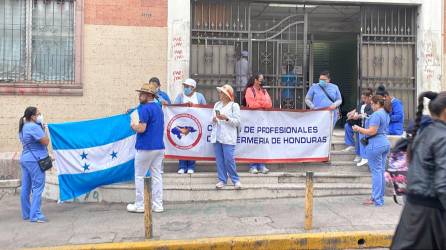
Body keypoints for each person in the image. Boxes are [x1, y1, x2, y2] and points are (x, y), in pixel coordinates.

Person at [391, 91, 446, 250]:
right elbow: (443, 185)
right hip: (430, 216)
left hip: (413, 211)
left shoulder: (424, 133)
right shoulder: (442, 137)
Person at [127, 82, 165, 213]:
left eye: (142, 93)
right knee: (157, 176)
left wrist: (133, 126)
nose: (139, 95)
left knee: (139, 176)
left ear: (149, 95)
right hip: (159, 147)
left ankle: (140, 205)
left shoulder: (144, 109)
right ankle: (158, 205)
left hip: (146, 147)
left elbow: (142, 129)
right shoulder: (158, 108)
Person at [353, 95, 392, 206]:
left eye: (372, 104)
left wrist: (358, 128)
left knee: (376, 172)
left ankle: (376, 199)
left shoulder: (377, 114)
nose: (371, 106)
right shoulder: (385, 113)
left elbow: (372, 131)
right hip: (384, 143)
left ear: (377, 104)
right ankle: (379, 198)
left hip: (375, 144)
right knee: (380, 172)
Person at [18, 107, 50, 223]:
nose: (40, 116)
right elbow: (46, 142)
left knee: (26, 187)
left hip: (25, 159)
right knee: (38, 187)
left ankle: (27, 213)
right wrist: (44, 129)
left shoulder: (23, 127)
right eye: (38, 114)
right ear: (32, 116)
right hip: (35, 160)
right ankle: (35, 215)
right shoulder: (34, 127)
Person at [210, 84, 242, 189]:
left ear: (228, 95)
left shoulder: (234, 106)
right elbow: (212, 119)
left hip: (228, 137)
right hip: (217, 136)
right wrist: (214, 119)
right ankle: (222, 180)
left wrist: (226, 118)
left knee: (229, 159)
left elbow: (237, 122)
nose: (220, 94)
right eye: (220, 92)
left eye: (222, 93)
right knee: (219, 160)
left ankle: (235, 180)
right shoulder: (217, 105)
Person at [174, 78, 207, 174]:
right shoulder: (180, 96)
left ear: (193, 88)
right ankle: (182, 166)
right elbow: (175, 107)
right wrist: (184, 105)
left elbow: (205, 109)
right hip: (182, 124)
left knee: (192, 145)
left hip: (194, 125)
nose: (185, 88)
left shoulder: (199, 96)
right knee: (182, 144)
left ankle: (191, 166)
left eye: (187, 87)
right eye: (185, 86)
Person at [242, 74, 272, 174]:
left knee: (261, 142)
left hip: (262, 121)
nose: (262, 81)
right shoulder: (249, 90)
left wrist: (258, 103)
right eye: (260, 80)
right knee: (253, 142)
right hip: (252, 121)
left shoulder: (264, 91)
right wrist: (262, 104)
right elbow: (251, 104)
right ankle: (253, 166)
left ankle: (262, 165)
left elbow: (269, 104)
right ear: (255, 80)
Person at [343, 88, 374, 167]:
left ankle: (359, 154)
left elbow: (369, 114)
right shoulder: (361, 103)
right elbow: (357, 110)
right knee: (347, 126)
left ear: (370, 97)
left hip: (364, 125)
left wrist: (358, 116)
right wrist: (352, 114)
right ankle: (351, 144)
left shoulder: (373, 104)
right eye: (362, 98)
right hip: (357, 122)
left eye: (365, 98)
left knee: (358, 133)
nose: (363, 100)